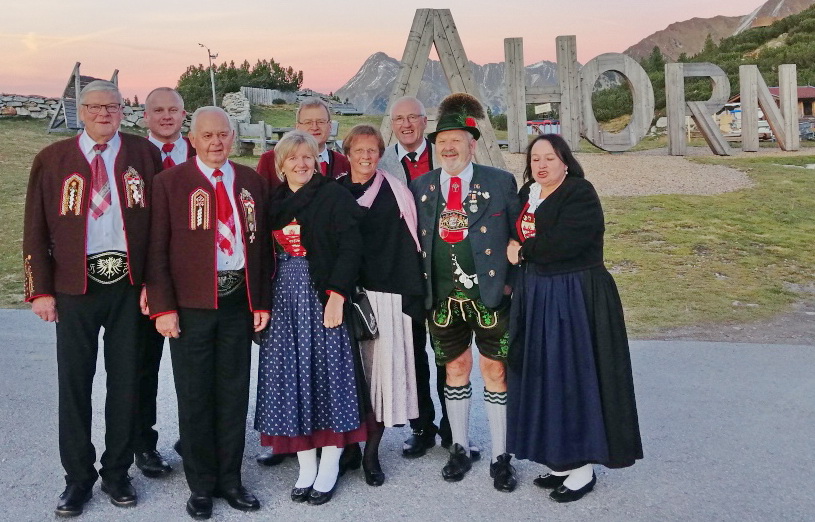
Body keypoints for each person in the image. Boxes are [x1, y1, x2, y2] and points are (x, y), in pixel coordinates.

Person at [22, 80, 162, 517]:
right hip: (74, 287)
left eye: (113, 106)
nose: (105, 113)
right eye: (96, 106)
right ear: (81, 111)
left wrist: (153, 285)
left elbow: (160, 229)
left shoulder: (144, 154)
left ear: (123, 111)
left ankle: (117, 473)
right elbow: (34, 228)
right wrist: (40, 289)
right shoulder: (53, 159)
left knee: (126, 383)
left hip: (127, 286)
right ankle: (77, 478)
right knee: (75, 385)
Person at [145, 106, 270, 519]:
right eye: (208, 135)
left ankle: (230, 480)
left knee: (233, 394)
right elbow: (156, 250)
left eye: (223, 134)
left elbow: (261, 249)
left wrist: (260, 301)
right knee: (195, 395)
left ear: (232, 137)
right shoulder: (170, 183)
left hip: (237, 303)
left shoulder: (251, 181)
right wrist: (163, 307)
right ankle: (200, 486)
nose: (217, 142)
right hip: (191, 306)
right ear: (193, 139)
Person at [506, 134, 643, 502]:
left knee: (573, 377)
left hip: (575, 295)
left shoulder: (579, 192)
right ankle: (561, 460)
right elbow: (516, 236)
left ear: (565, 161)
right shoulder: (528, 193)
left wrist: (522, 252)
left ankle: (582, 468)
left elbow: (565, 242)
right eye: (535, 158)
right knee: (547, 377)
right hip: (539, 293)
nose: (541, 165)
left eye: (549, 158)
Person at [410, 93, 520, 492]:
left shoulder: (500, 182)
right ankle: (459, 447)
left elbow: (518, 236)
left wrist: (511, 283)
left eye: (456, 140)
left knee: (495, 371)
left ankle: (500, 456)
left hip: (491, 296)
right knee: (455, 369)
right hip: (442, 299)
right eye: (442, 141)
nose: (448, 147)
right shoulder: (421, 186)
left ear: (472, 145)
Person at [254, 130, 366, 505]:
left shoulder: (332, 195)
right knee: (290, 377)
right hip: (284, 297)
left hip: (321, 293)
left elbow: (351, 247)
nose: (301, 164)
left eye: (308, 157)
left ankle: (330, 463)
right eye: (293, 158)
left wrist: (337, 296)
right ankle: (306, 464)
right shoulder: (274, 201)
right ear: (281, 165)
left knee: (329, 375)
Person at [337, 124, 424, 485]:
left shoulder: (396, 191)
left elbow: (410, 243)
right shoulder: (334, 192)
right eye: (359, 150)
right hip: (342, 295)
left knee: (380, 378)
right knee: (346, 376)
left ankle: (371, 454)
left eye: (372, 150)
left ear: (380, 154)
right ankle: (349, 448)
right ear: (347, 153)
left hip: (385, 294)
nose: (366, 156)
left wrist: (410, 296)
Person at [377, 97, 454, 458]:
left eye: (413, 117)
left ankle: (453, 427)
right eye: (399, 119)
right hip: (404, 273)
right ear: (392, 124)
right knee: (413, 354)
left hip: (443, 270)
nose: (406, 124)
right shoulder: (381, 164)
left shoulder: (446, 155)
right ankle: (422, 426)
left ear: (426, 122)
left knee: (447, 352)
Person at [131, 86, 195, 478]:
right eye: (158, 110)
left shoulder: (201, 151)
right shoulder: (133, 158)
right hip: (146, 280)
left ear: (184, 115)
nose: (167, 116)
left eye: (173, 110)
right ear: (145, 116)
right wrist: (145, 282)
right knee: (143, 366)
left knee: (197, 368)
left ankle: (195, 438)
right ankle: (143, 444)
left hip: (193, 278)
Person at [255, 97, 351, 192]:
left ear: (330, 126)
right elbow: (258, 197)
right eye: (308, 122)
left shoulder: (344, 163)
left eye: (320, 122)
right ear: (297, 127)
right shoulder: (270, 160)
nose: (314, 127)